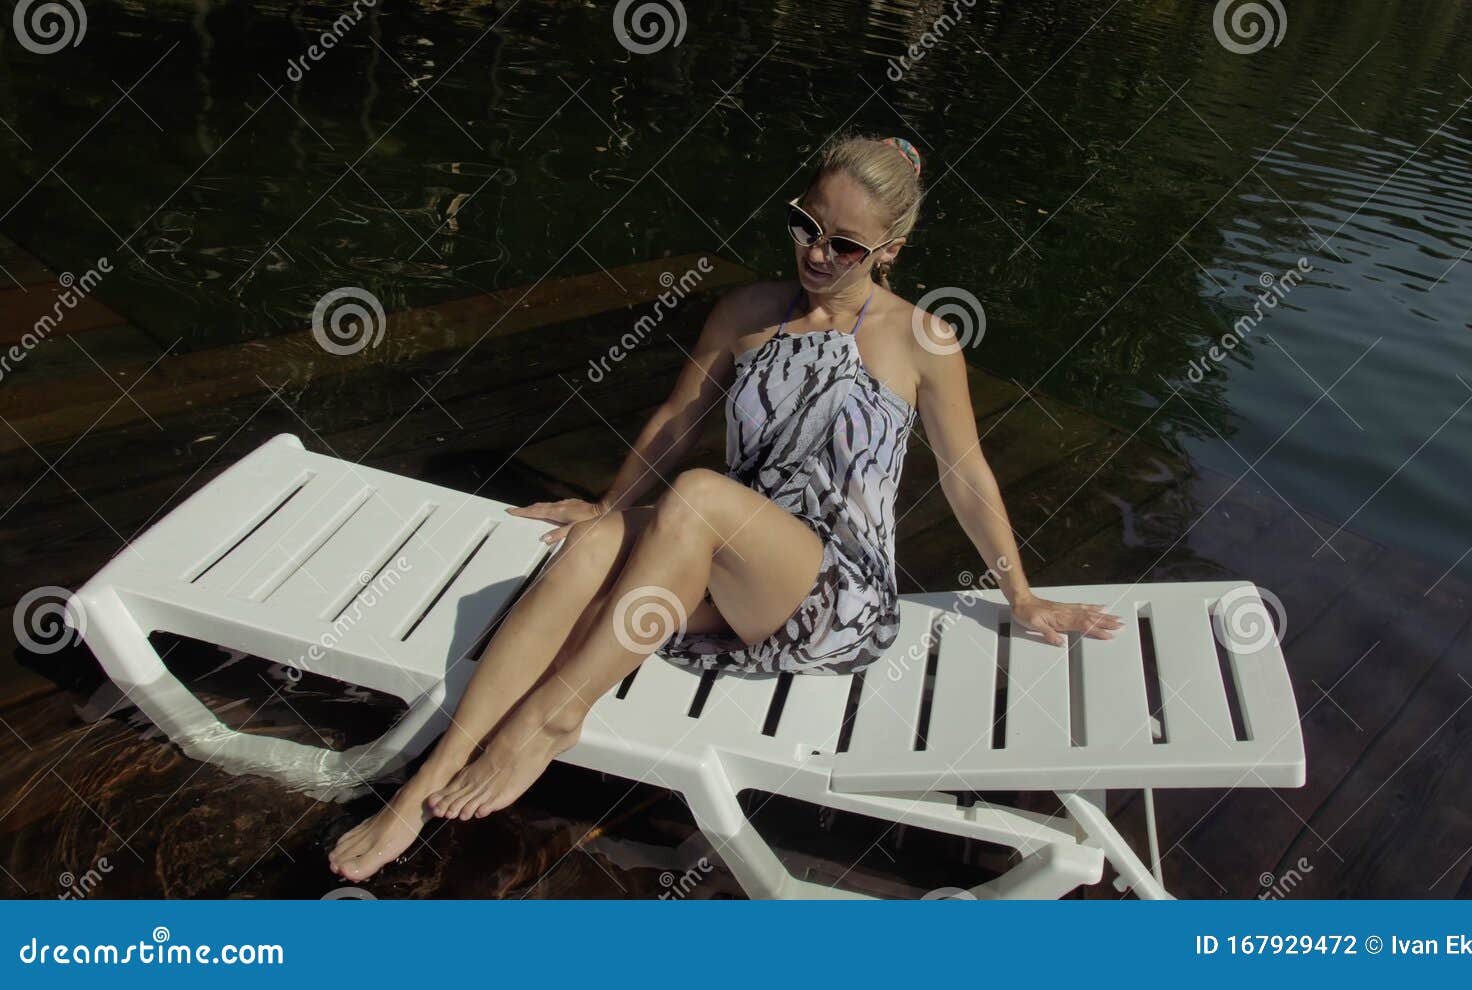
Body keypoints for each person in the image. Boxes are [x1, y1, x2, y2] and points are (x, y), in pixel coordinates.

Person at [330, 135, 1124, 882]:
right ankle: (421, 784)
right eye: (806, 226)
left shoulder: (924, 339)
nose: (817, 252)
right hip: (721, 557)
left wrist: (1019, 592)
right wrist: (607, 505)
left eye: (844, 244)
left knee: (702, 495)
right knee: (594, 546)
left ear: (889, 252)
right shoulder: (747, 312)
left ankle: (550, 720)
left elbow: (967, 475)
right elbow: (677, 421)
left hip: (834, 591)